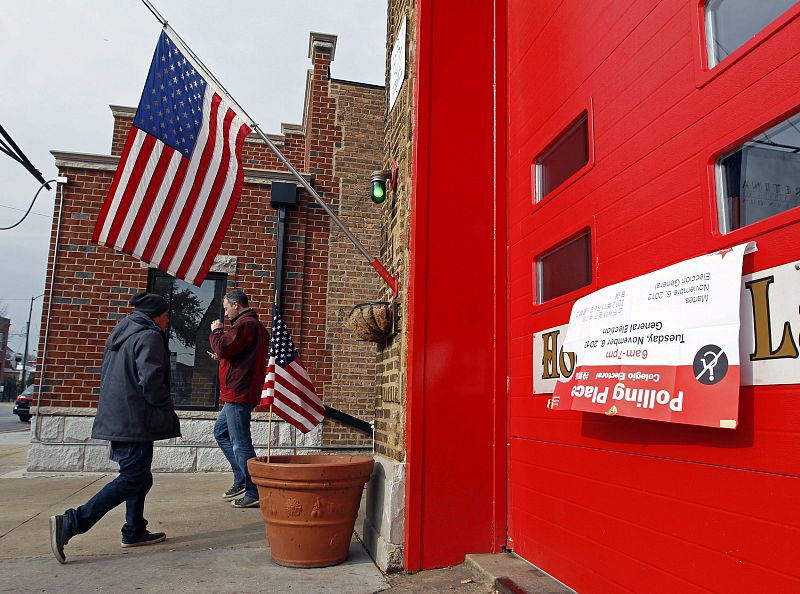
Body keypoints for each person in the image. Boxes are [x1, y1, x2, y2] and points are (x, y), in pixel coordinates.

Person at [49, 292, 181, 564]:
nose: (168, 320)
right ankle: (71, 522)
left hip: (119, 417)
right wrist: (165, 403)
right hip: (135, 420)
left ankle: (134, 530)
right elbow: (151, 381)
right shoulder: (149, 336)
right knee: (132, 478)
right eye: (167, 315)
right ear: (156, 314)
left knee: (139, 477)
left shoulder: (120, 335)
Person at [209, 289, 268, 508]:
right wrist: (222, 356)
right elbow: (235, 353)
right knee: (221, 432)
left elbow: (223, 345)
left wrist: (216, 332)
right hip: (240, 391)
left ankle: (253, 491)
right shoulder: (254, 327)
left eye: (226, 308)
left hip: (238, 392)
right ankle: (243, 479)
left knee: (241, 444)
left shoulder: (246, 325)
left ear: (236, 305)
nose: (225, 313)